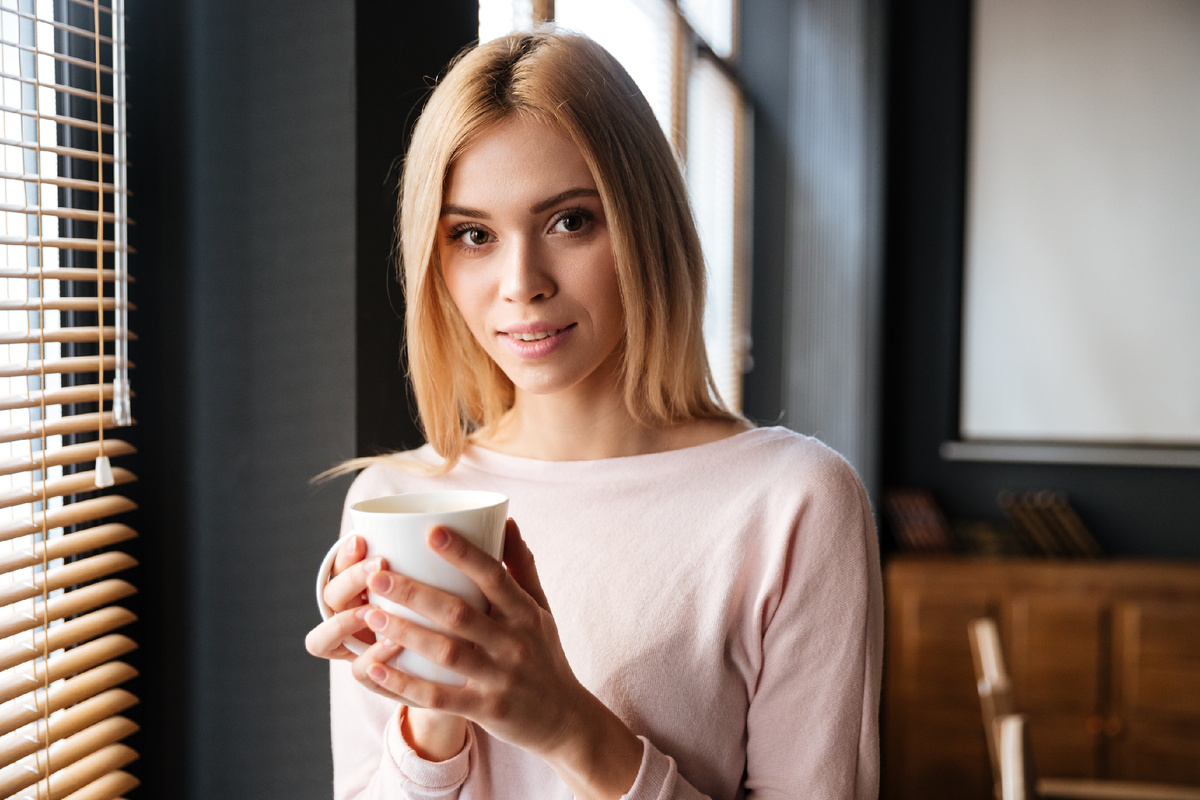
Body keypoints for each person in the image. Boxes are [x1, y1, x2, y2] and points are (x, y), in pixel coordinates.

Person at [305, 28, 882, 800]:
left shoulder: (793, 502)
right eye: (473, 235)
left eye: (569, 221)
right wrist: (431, 711)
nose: (521, 283)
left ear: (645, 223)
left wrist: (565, 725)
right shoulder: (393, 504)